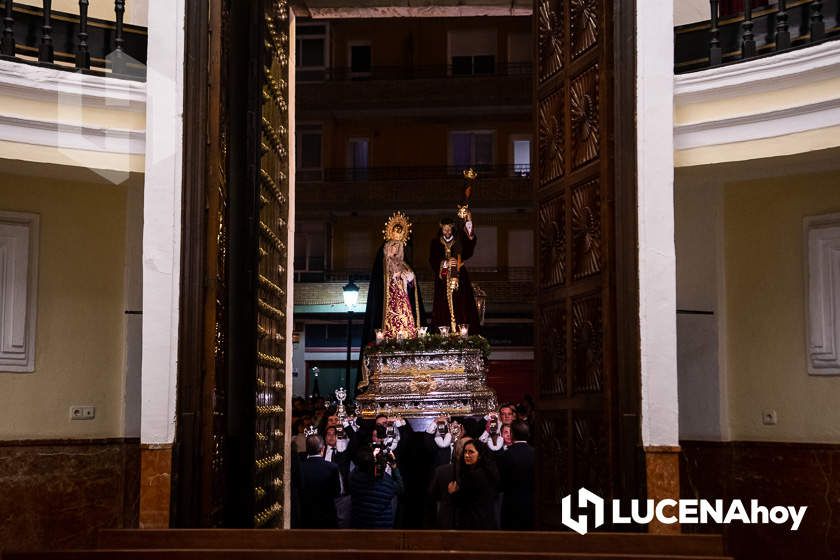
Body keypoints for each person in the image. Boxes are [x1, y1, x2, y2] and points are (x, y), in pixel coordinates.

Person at [358, 212, 425, 390]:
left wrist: (410, 280)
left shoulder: (405, 264)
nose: (395, 249)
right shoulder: (382, 265)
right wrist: (392, 278)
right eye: (392, 246)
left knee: (407, 327)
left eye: (398, 246)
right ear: (387, 246)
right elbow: (380, 286)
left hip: (404, 306)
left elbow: (412, 289)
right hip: (388, 308)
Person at [429, 215, 480, 335]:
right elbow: (432, 259)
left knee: (462, 303)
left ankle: (462, 331)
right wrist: (445, 263)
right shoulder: (435, 242)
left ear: (452, 229)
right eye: (444, 229)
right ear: (441, 229)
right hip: (443, 279)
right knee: (443, 304)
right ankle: (443, 332)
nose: (447, 231)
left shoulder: (459, 240)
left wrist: (468, 222)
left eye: (449, 229)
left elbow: (470, 246)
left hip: (460, 277)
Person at [447, 439, 499, 529]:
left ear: (480, 455)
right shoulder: (487, 471)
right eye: (465, 452)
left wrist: (452, 493)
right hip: (487, 521)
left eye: (471, 452)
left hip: (474, 524)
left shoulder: (474, 475)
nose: (466, 455)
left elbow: (462, 501)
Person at [349, 446, 404, 528]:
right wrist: (394, 466)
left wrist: (371, 458)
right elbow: (400, 488)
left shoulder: (355, 479)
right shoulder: (387, 482)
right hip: (382, 528)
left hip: (360, 526)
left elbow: (358, 469)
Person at [425, 436, 472, 528]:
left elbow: (432, 496)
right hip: (467, 522)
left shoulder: (441, 470)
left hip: (446, 521)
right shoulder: (477, 472)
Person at [498, 420, 535, 530]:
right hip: (532, 503)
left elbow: (501, 482)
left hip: (511, 504)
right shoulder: (536, 453)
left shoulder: (506, 455)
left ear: (513, 434)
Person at [299, 434, 341, 528]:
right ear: (322, 448)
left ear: (307, 449)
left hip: (306, 514)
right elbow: (337, 492)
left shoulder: (300, 467)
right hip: (327, 514)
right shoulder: (332, 467)